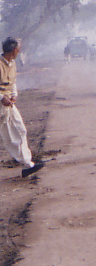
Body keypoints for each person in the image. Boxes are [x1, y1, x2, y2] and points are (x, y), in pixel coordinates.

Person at [1, 38, 44, 178]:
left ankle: (28, 164)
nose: (19, 51)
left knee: (20, 130)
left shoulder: (12, 64)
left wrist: (14, 95)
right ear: (14, 50)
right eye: (19, 49)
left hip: (8, 105)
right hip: (2, 106)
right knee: (11, 136)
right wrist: (2, 98)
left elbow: (12, 83)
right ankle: (27, 164)